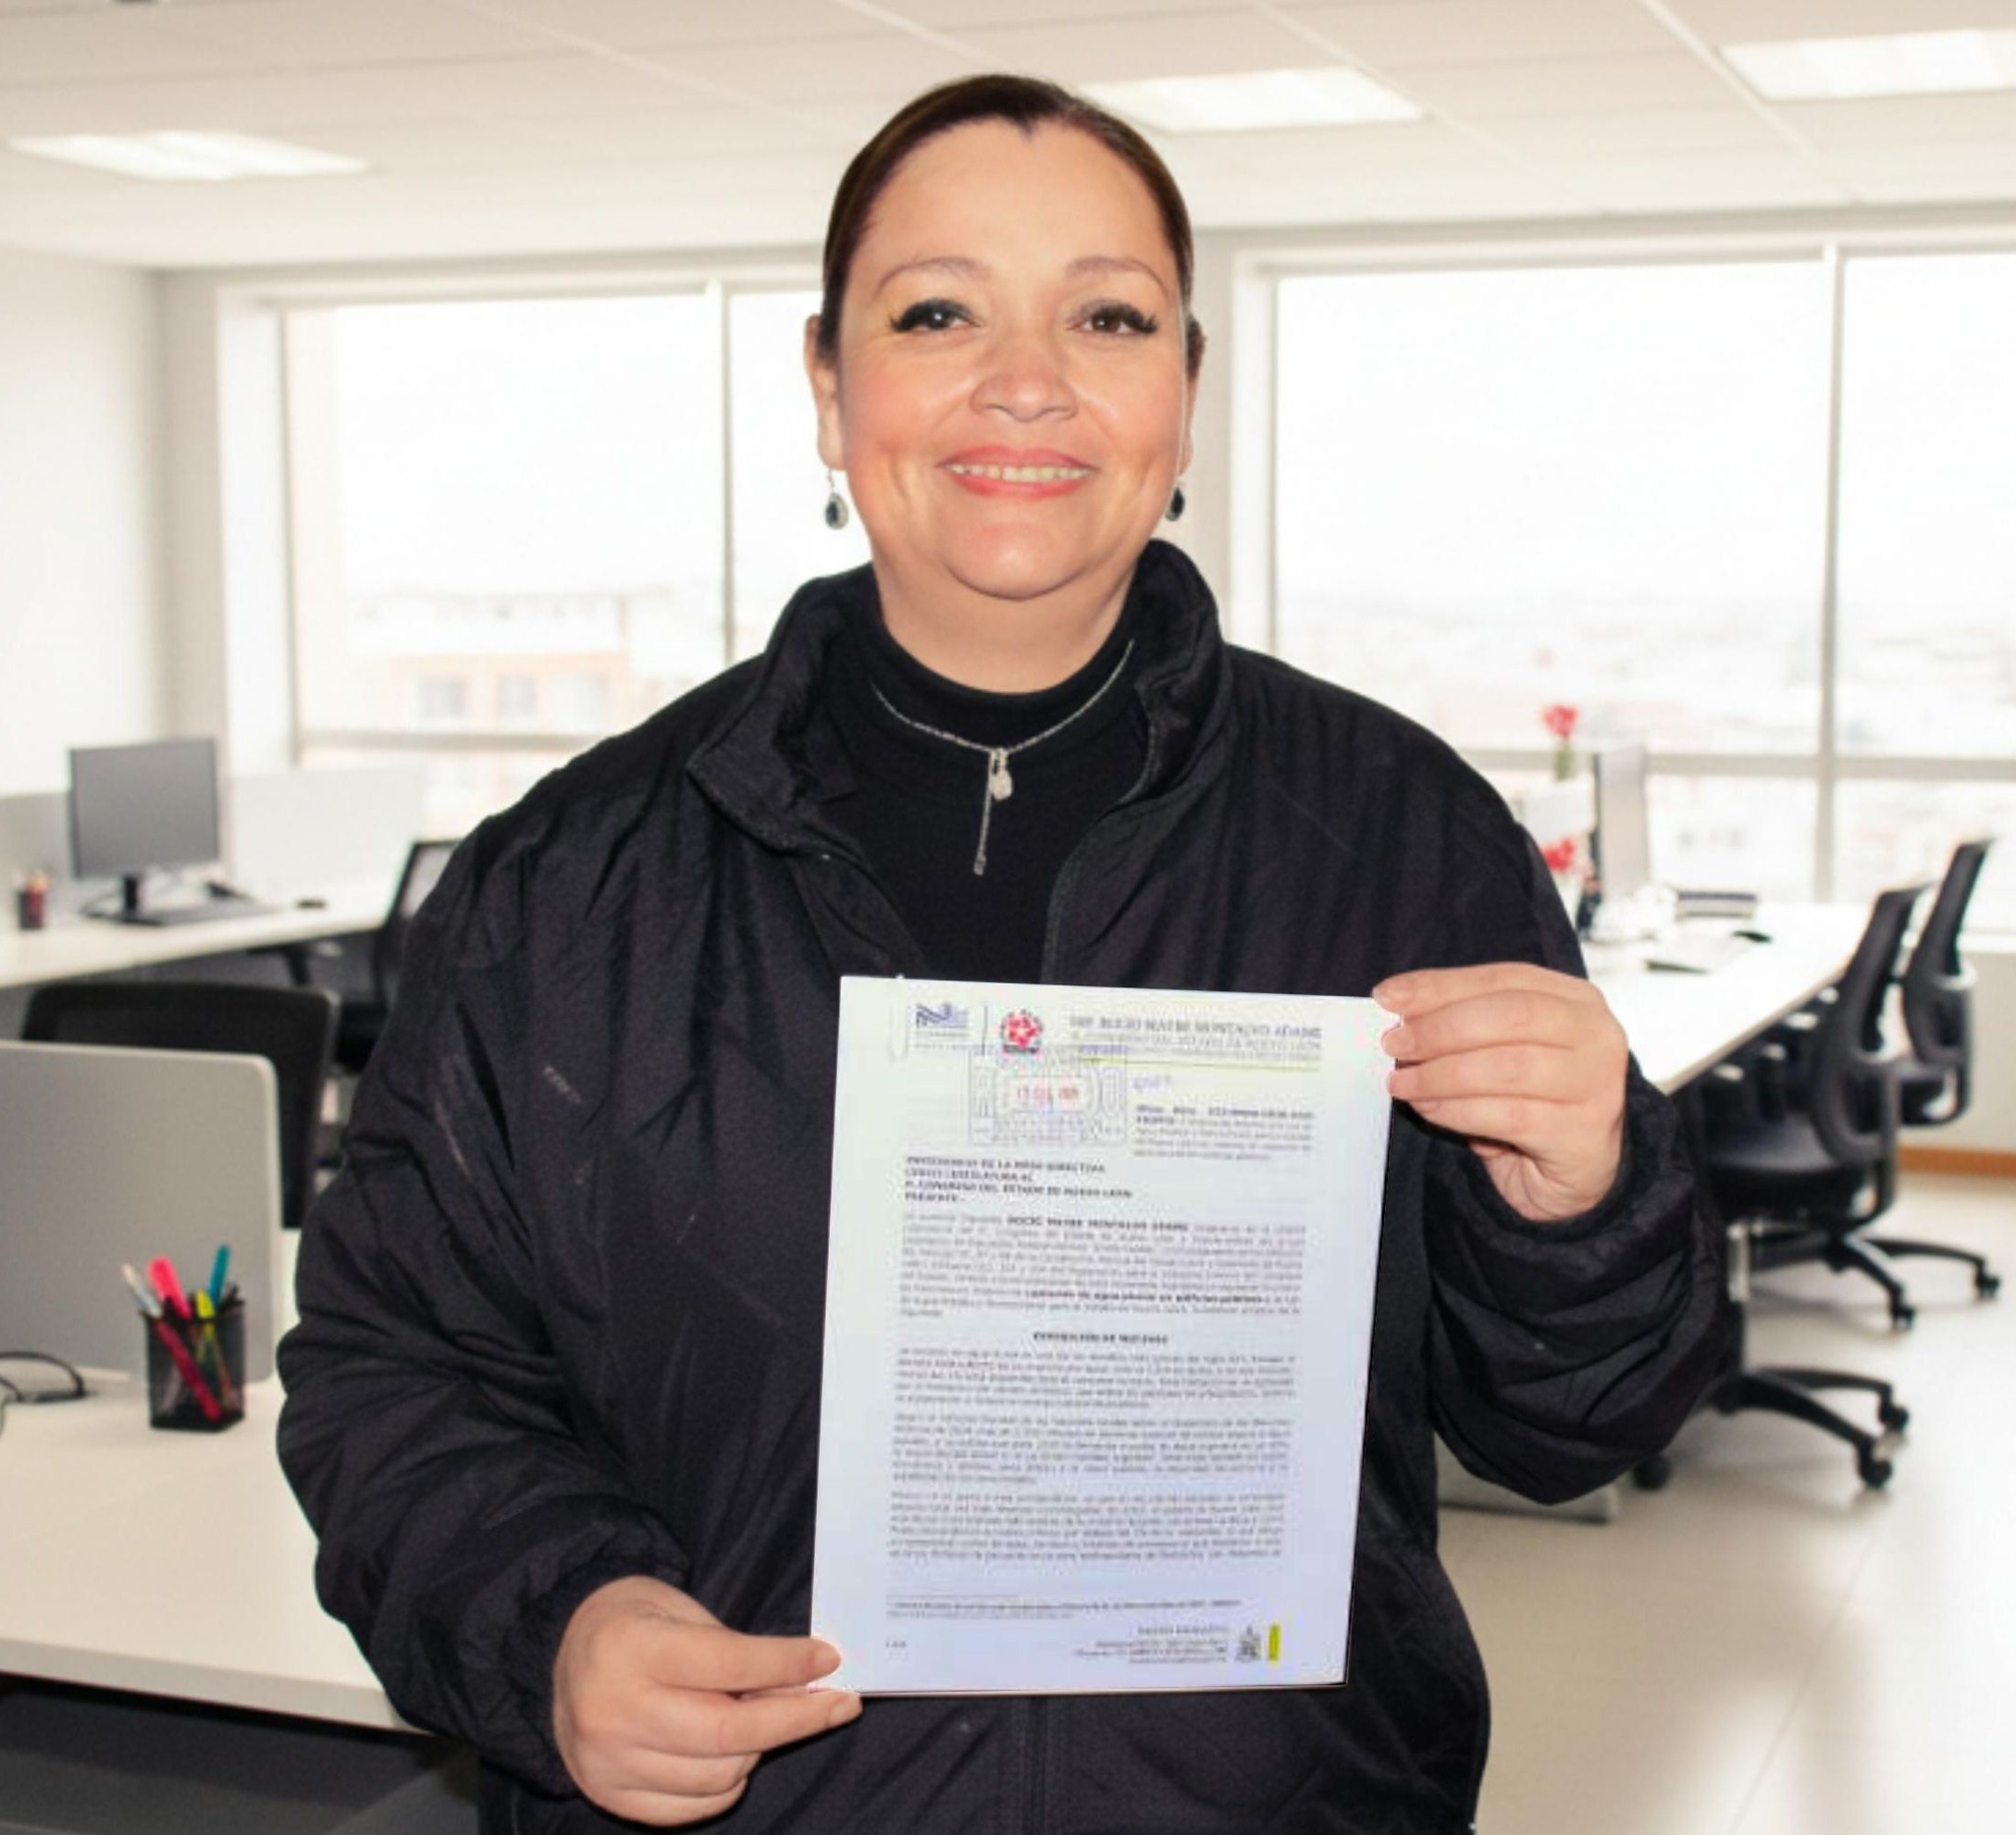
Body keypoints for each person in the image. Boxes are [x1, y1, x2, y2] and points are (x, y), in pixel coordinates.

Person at [279, 74, 1723, 1835]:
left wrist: (1583, 1200)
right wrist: (555, 1627)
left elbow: (1572, 1427)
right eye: (937, 313)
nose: (1026, 380)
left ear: (1185, 391)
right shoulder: (569, 884)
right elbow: (394, 1373)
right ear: (829, 387)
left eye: (1106, 317)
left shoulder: (1401, 835)